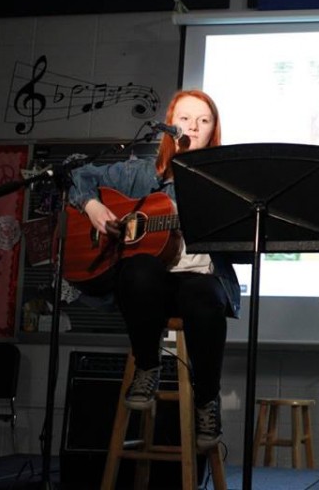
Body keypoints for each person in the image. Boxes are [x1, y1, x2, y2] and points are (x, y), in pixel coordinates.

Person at [67, 89, 240, 452]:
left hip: (199, 280)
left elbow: (244, 251)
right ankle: (148, 365)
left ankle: (207, 400)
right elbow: (76, 173)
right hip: (153, 287)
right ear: (169, 126)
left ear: (214, 130)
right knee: (139, 269)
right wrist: (94, 207)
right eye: (185, 119)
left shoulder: (224, 183)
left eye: (203, 120)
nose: (193, 126)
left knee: (204, 295)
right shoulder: (142, 173)